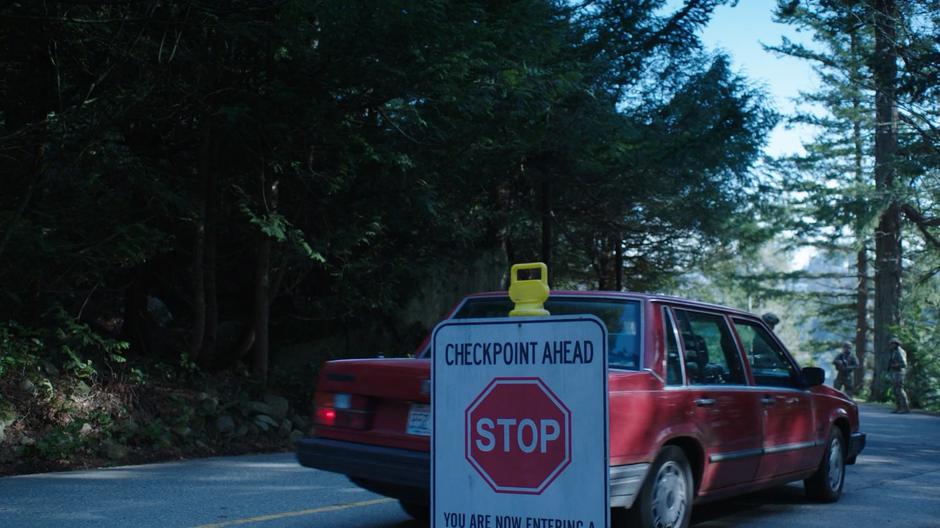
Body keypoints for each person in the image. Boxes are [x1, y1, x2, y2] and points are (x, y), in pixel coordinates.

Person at [887, 337, 910, 414]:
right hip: (895, 373)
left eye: (891, 344)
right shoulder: (894, 351)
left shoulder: (900, 351)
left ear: (895, 344)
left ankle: (905, 407)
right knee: (895, 390)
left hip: (899, 373)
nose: (890, 345)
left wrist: (894, 365)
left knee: (899, 390)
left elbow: (904, 364)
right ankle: (898, 407)